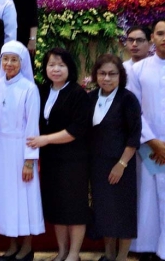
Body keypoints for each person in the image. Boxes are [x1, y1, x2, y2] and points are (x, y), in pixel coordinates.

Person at [26, 48, 93, 261]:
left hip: (73, 159)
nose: (55, 69)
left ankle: (74, 254)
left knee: (74, 208)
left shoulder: (77, 93)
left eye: (61, 65)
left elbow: (77, 129)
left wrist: (46, 139)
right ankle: (62, 251)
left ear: (69, 68)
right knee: (56, 206)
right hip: (50, 160)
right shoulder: (42, 90)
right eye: (51, 65)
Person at [0, 42, 44, 261]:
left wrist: (29, 161)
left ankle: (26, 247)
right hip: (1, 151)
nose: (9, 64)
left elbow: (32, 127)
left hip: (21, 150)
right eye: (5, 59)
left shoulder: (29, 88)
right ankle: (12, 245)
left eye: (14, 60)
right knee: (5, 199)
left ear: (22, 63)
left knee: (24, 199)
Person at [88, 54, 141, 261]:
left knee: (123, 211)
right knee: (104, 211)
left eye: (112, 74)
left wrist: (121, 164)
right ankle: (108, 255)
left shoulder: (128, 99)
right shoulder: (91, 97)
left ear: (120, 76)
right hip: (98, 164)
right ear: (96, 75)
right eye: (102, 73)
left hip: (121, 165)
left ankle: (121, 257)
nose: (107, 78)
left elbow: (134, 135)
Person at [126, 20, 165, 261]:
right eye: (160, 34)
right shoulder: (138, 70)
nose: (164, 38)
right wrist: (153, 141)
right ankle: (149, 250)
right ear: (152, 38)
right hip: (148, 149)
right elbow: (133, 110)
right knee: (148, 201)